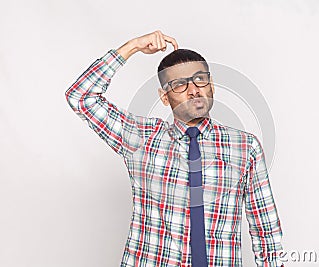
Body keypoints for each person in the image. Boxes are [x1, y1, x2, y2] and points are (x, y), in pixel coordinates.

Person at [65, 30, 284, 267]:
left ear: (211, 85)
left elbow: (266, 229)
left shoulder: (245, 147)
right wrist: (133, 47)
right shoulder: (141, 138)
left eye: (200, 79)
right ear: (164, 97)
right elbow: (80, 97)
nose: (194, 90)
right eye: (180, 84)